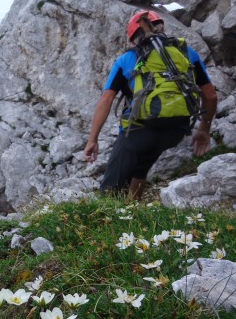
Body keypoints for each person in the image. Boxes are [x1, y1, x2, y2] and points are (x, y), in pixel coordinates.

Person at [84, 10, 218, 200]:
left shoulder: (126, 59)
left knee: (110, 190)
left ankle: (109, 221)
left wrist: (92, 140)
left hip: (139, 131)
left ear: (133, 40)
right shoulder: (187, 53)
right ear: (162, 28)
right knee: (143, 162)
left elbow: (106, 99)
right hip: (176, 130)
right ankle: (134, 210)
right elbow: (210, 95)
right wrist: (204, 129)